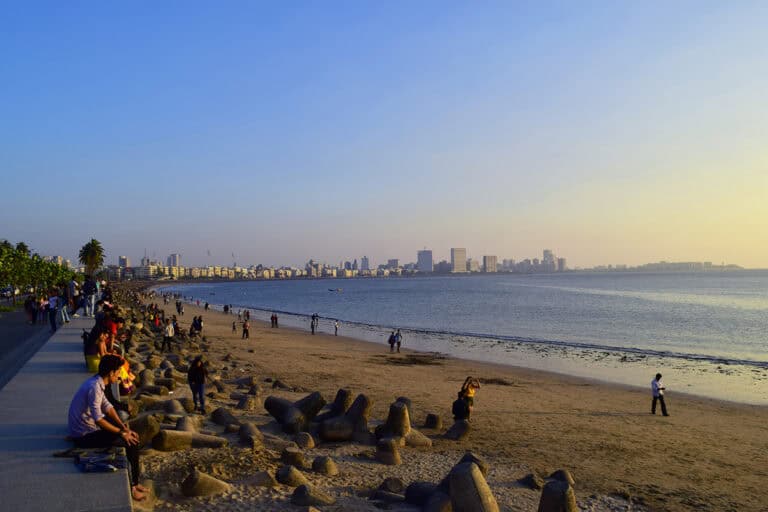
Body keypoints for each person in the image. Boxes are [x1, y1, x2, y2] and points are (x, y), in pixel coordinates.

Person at [67, 354, 148, 501]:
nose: (118, 376)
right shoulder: (94, 388)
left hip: (86, 429)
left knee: (129, 435)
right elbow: (98, 419)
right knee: (132, 443)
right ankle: (134, 486)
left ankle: (136, 482)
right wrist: (122, 433)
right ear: (111, 373)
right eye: (117, 372)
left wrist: (123, 427)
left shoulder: (97, 383)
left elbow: (108, 407)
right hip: (83, 436)